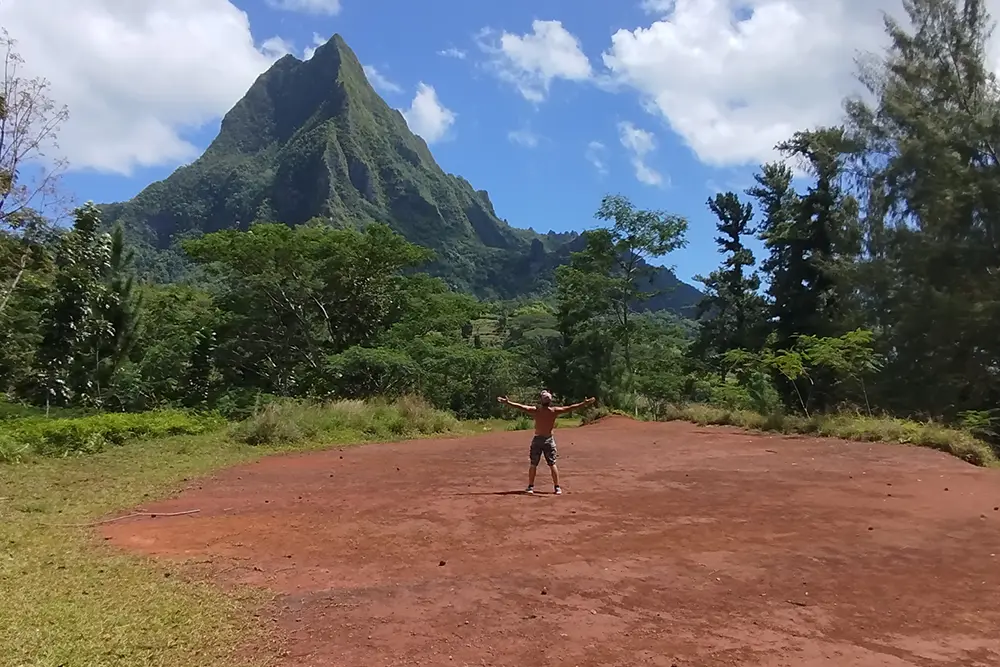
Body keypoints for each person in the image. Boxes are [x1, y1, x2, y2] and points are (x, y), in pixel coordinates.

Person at [497, 391, 596, 495]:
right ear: (550, 401)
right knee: (552, 464)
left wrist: (508, 403)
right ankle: (557, 487)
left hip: (538, 439)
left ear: (541, 400)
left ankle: (530, 487)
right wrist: (584, 403)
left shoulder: (536, 410)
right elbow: (570, 407)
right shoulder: (554, 411)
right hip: (549, 439)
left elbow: (521, 407)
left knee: (533, 464)